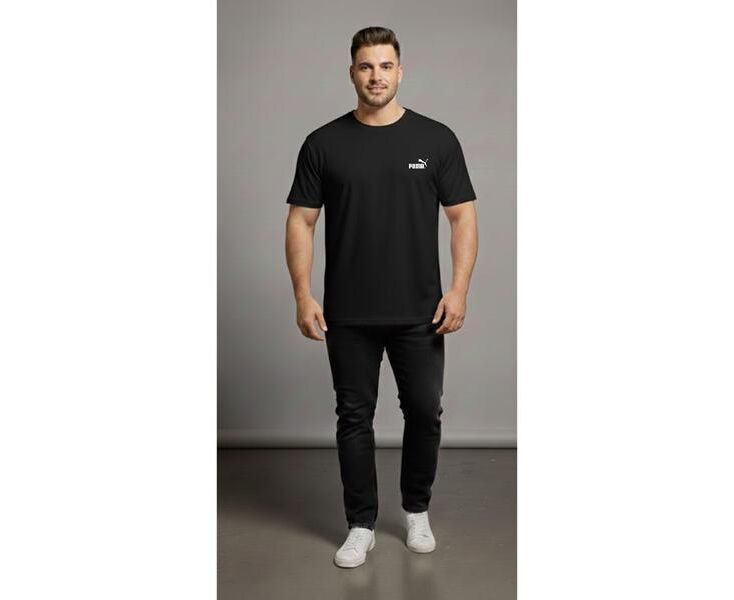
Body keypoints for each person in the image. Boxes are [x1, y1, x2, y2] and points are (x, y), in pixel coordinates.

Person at [284, 26, 478, 568]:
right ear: (352, 72)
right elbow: (301, 221)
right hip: (348, 312)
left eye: (385, 66)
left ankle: (416, 510)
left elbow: (463, 217)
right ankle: (360, 524)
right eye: (366, 66)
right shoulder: (323, 143)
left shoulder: (436, 140)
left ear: (400, 70)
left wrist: (458, 289)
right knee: (354, 417)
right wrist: (303, 296)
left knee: (425, 412)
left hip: (421, 310)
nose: (376, 76)